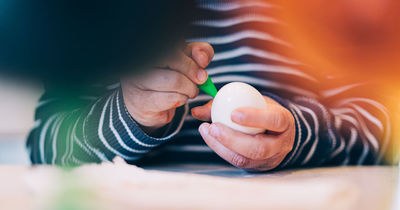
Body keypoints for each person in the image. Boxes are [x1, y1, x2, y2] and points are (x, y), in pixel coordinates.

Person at [27, 0, 392, 171]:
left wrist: (296, 135)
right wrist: (131, 113)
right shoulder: (94, 16)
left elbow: (381, 130)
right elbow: (46, 149)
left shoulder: (326, 11)